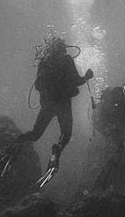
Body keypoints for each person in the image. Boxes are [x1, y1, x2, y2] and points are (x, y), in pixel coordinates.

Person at [21, 33, 93, 174]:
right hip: (63, 103)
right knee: (66, 134)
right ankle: (56, 151)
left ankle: (18, 142)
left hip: (48, 104)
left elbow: (37, 85)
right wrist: (87, 77)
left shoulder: (44, 61)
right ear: (62, 47)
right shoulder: (67, 59)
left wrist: (49, 94)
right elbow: (77, 81)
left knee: (35, 134)